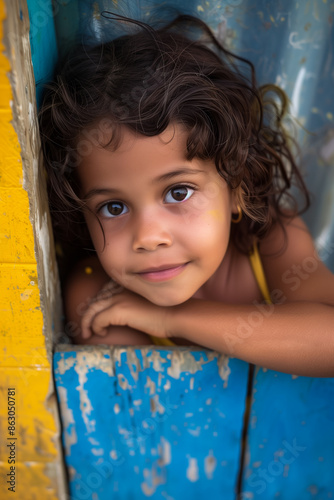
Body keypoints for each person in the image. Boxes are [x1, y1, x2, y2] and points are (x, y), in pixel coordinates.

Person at [39, 13, 334, 377]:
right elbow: (150, 417)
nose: (148, 237)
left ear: (237, 187)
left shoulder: (273, 235)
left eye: (178, 192)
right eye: (113, 207)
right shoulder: (97, 295)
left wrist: (171, 318)